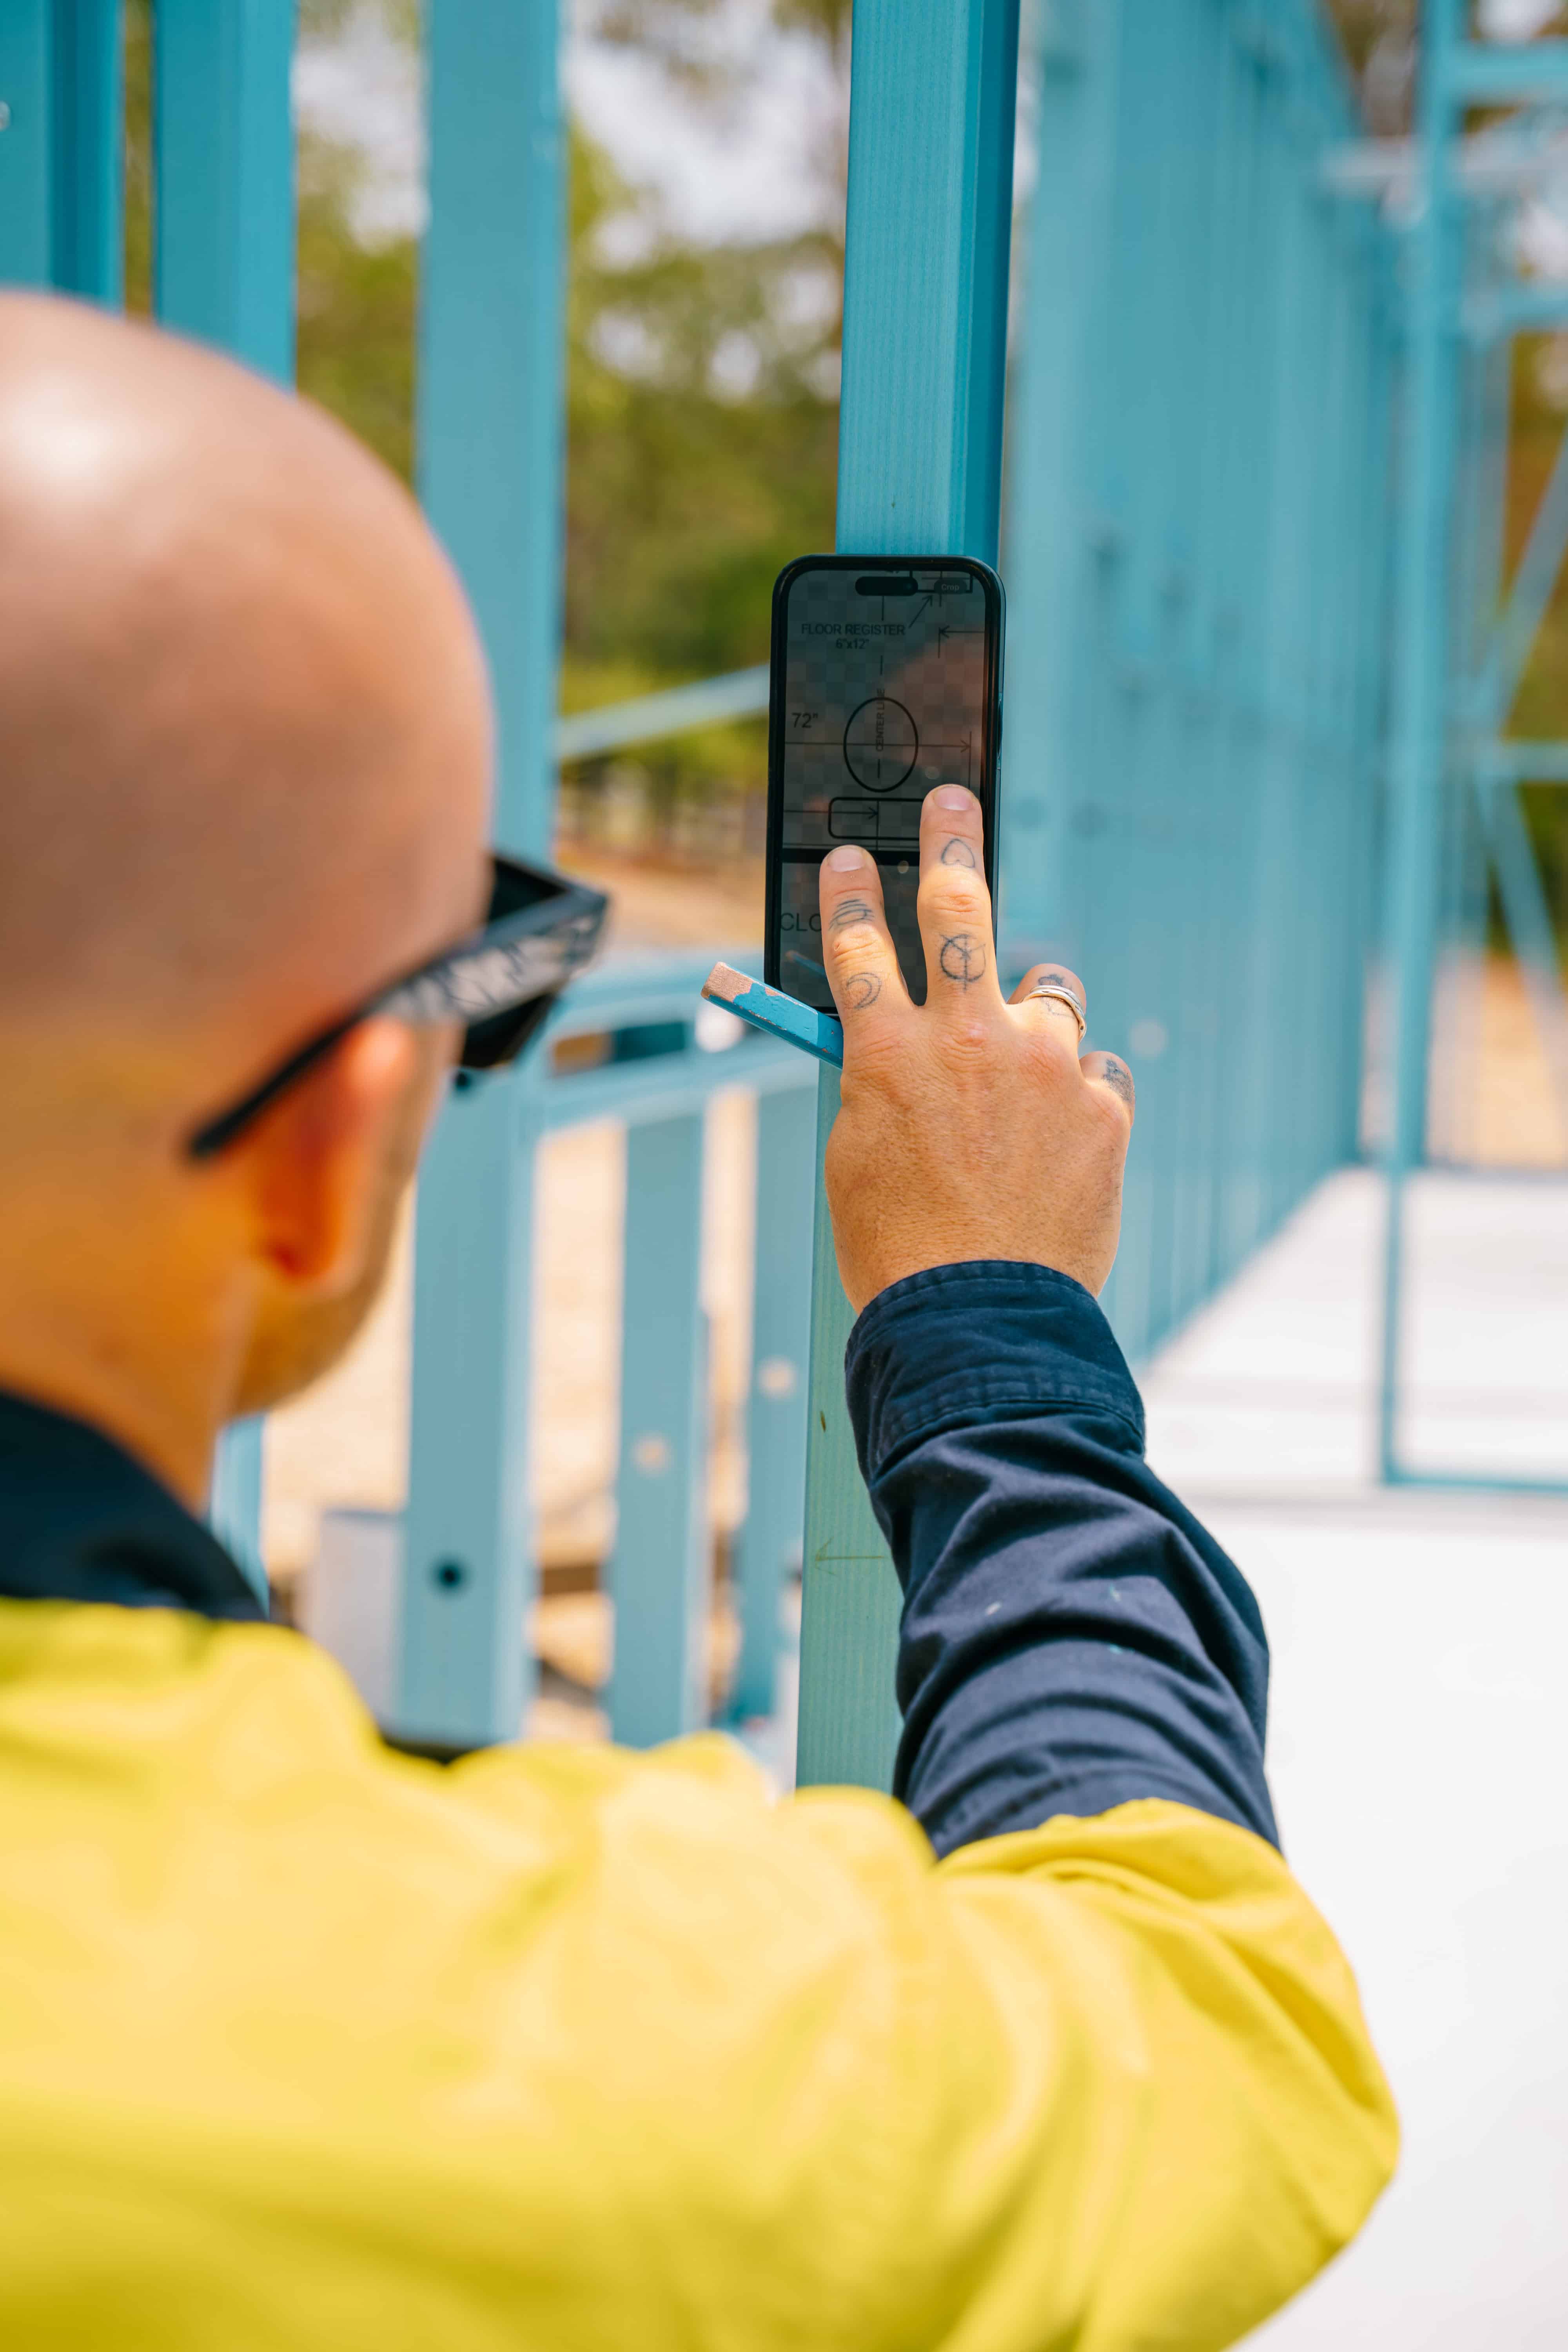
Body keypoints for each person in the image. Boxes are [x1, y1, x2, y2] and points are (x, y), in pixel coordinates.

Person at [0, 292, 1396, 2350]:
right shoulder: (567, 2052)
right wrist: (999, 1358)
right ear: (326, 1148)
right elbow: (1206, 2020)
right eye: (483, 976)